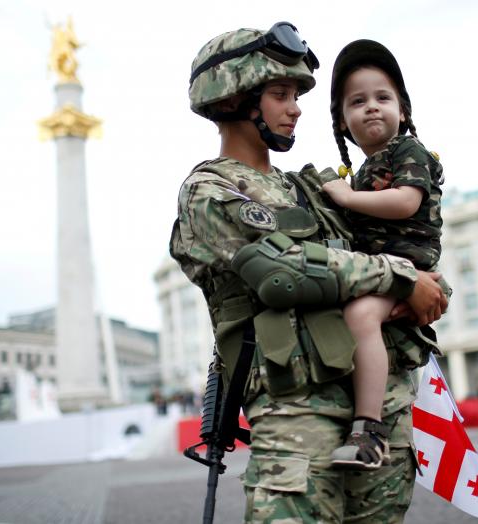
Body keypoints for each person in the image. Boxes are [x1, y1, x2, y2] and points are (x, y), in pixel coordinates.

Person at [170, 23, 446, 523]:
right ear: (234, 100)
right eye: (280, 94)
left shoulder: (314, 190)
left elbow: (407, 248)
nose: (295, 106)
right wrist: (399, 277)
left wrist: (428, 283)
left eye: (295, 94)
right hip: (296, 418)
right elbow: (281, 273)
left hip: (377, 417)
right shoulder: (210, 193)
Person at [320, 40, 445, 471]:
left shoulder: (409, 152)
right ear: (342, 121)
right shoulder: (359, 172)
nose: (372, 107)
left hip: (408, 266)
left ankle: (368, 432)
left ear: (403, 111)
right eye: (358, 101)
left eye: (383, 98)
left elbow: (405, 203)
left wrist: (346, 197)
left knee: (359, 317)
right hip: (382, 268)